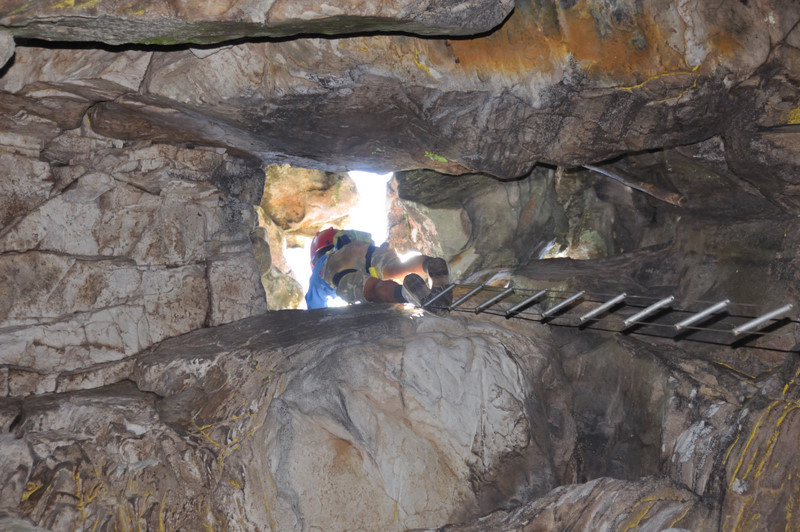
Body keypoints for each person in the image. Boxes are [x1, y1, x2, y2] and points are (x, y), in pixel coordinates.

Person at [305, 227, 451, 312]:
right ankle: (430, 264)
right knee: (396, 268)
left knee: (373, 288)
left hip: (337, 267)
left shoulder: (321, 266)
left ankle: (407, 293)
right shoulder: (345, 240)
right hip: (362, 248)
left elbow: (315, 309)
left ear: (315, 257)